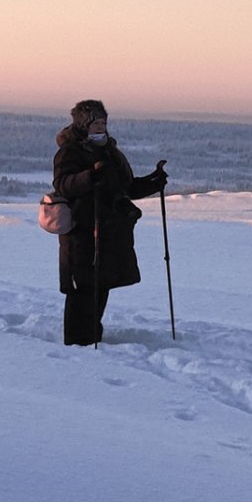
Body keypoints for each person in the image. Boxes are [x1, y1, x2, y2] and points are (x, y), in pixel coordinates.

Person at [52, 99, 167, 346]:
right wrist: (89, 177)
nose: (101, 127)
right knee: (82, 288)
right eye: (95, 122)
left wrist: (154, 182)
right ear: (83, 124)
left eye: (103, 122)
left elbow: (125, 187)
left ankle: (91, 338)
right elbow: (63, 184)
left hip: (109, 232)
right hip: (82, 231)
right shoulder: (70, 151)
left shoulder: (110, 151)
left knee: (100, 285)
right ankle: (77, 346)